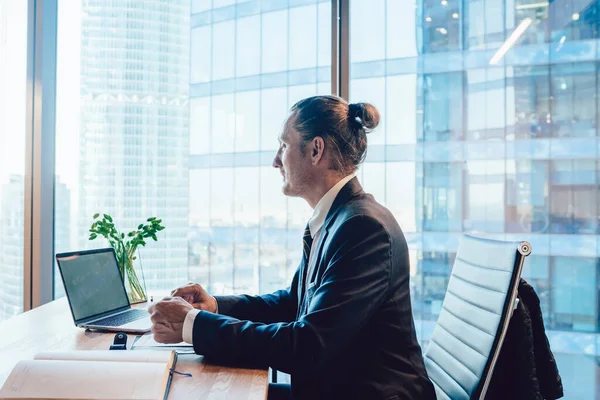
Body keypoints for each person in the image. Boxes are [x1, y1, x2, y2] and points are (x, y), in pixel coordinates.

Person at [148, 95, 436, 400]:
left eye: (284, 145)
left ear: (315, 150)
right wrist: (215, 307)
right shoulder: (337, 219)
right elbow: (293, 303)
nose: (275, 160)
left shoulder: (363, 229)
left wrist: (193, 324)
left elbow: (308, 345)